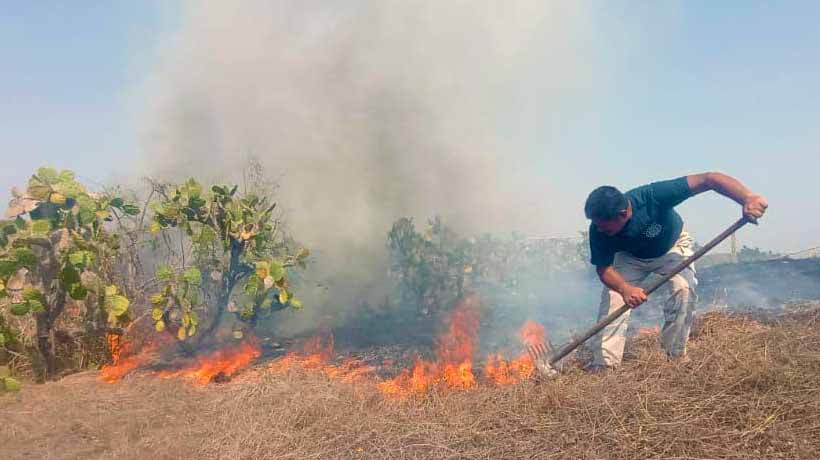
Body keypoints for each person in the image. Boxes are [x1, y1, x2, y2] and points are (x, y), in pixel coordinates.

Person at [584, 172, 768, 371]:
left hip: (672, 247)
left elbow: (709, 179)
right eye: (598, 226)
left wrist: (747, 197)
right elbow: (604, 269)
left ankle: (674, 357)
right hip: (629, 257)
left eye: (605, 228)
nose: (600, 231)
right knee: (614, 299)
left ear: (622, 213)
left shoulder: (653, 196)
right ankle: (605, 366)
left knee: (683, 289)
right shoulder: (598, 229)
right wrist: (625, 288)